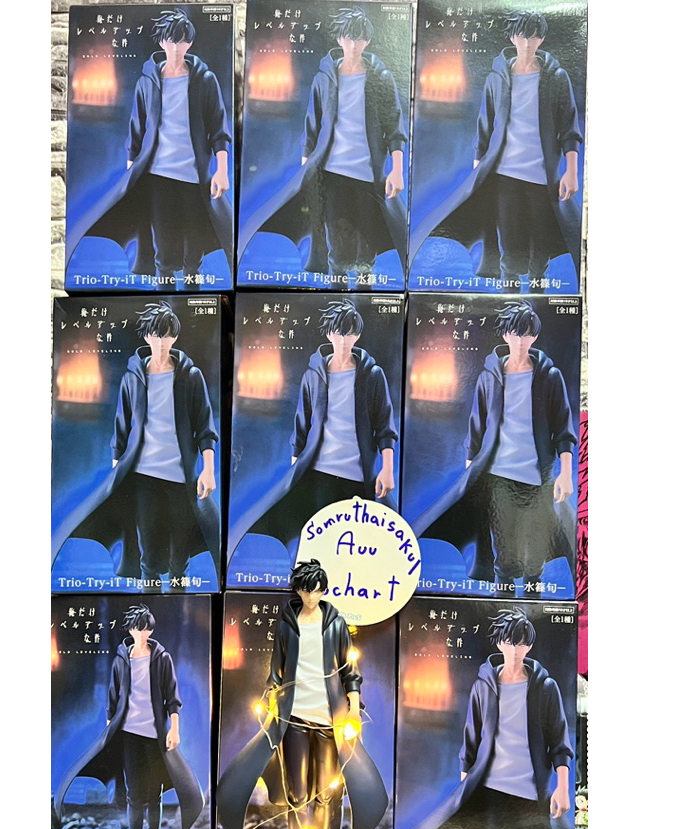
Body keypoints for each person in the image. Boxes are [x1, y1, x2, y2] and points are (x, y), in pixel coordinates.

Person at [216, 559, 389, 829]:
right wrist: (271, 700)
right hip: (293, 719)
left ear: (323, 589)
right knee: (297, 800)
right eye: (304, 589)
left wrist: (353, 706)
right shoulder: (287, 623)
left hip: (329, 721)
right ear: (297, 589)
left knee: (325, 795)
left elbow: (350, 670)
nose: (310, 596)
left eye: (316, 589)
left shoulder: (335, 623)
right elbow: (276, 670)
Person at [397, 609, 574, 829]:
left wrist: (562, 787)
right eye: (510, 642)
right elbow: (472, 736)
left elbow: (559, 742)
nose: (515, 650)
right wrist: (467, 784)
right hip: (492, 788)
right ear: (500, 643)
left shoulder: (545, 688)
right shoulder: (484, 686)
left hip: (532, 791)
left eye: (522, 643)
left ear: (529, 646)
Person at [51, 301, 220, 589]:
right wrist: (117, 469)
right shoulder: (133, 377)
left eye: (167, 335)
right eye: (156, 335)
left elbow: (205, 427)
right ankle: (149, 599)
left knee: (180, 555)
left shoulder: (191, 377)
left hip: (182, 479)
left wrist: (208, 469)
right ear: (146, 336)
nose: (162, 342)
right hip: (143, 477)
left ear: (175, 337)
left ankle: (180, 603)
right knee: (148, 555)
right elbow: (122, 424)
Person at [410, 10, 583, 291]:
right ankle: (509, 302)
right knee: (510, 251)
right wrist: (478, 169)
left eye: (534, 36)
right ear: (513, 37)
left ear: (542, 39)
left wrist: (571, 171)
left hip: (542, 179)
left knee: (540, 253)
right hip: (504, 175)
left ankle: (537, 303)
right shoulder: (498, 78)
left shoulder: (556, 78)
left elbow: (569, 128)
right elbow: (485, 124)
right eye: (522, 35)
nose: (527, 43)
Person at [412, 300, 575, 595]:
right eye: (515, 333)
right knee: (505, 556)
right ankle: (501, 602)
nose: (521, 341)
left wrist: (565, 473)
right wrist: (471, 472)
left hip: (538, 478)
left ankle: (533, 606)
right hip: (498, 476)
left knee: (534, 557)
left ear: (535, 336)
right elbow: (478, 423)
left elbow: (563, 428)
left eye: (527, 334)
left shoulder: (550, 377)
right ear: (505, 335)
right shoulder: (490, 377)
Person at [237, 6, 407, 288]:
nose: (353, 45)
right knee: (338, 251)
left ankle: (366, 305)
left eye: (359, 38)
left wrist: (397, 169)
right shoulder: (324, 77)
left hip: (369, 177)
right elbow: (312, 126)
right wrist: (308, 171)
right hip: (331, 174)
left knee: (366, 254)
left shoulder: (381, 78)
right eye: (348, 37)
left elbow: (394, 127)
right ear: (340, 39)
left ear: (367, 41)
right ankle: (336, 296)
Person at [65, 9, 233, 286]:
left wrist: (222, 170)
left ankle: (192, 298)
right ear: (162, 42)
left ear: (190, 43)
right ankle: (164, 295)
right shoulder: (148, 82)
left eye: (182, 41)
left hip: (195, 178)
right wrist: (132, 173)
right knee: (163, 252)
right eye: (171, 40)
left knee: (194, 253)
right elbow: (137, 128)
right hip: (157, 176)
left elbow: (219, 128)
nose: (176, 48)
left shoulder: (205, 80)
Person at [229, 299, 398, 566]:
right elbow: (302, 423)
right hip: (318, 472)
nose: (344, 340)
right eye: (339, 333)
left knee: (352, 544)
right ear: (329, 334)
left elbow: (385, 426)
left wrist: (387, 469)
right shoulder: (314, 375)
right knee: (315, 539)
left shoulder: (372, 375)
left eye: (350, 333)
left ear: (357, 335)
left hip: (358, 475)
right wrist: (295, 467)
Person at [52, 604, 205, 829]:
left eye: (146, 628)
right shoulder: (121, 660)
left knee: (155, 798)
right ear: (131, 629)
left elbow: (173, 698)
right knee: (135, 798)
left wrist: (174, 729)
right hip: (128, 736)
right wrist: (110, 732)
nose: (142, 633)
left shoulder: (162, 658)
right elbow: (112, 699)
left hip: (156, 738)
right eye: (138, 627)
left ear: (151, 629)